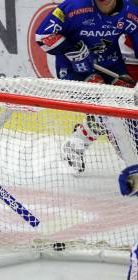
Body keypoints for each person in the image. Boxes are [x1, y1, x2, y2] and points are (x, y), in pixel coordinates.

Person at [36, 0, 138, 173]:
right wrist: (70, 49)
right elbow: (42, 36)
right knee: (106, 109)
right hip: (75, 68)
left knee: (126, 107)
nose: (103, 3)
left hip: (112, 65)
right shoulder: (74, 7)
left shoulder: (130, 12)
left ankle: (76, 143)